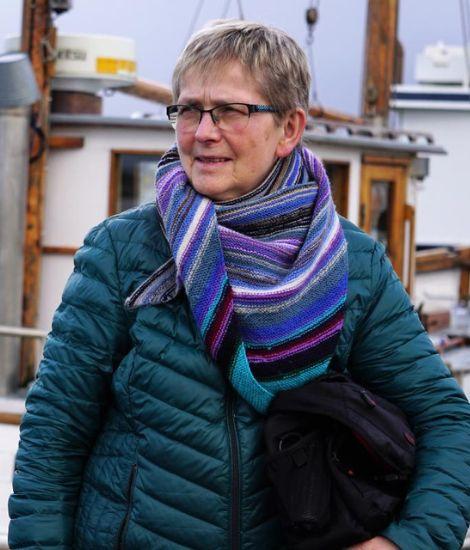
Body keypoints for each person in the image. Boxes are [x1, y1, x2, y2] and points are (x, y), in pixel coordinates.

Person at [8, 20, 470, 550]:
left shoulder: (351, 263)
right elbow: (52, 439)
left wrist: (407, 542)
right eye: (187, 109)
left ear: (290, 129)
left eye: (231, 111)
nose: (203, 131)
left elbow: (447, 420)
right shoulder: (122, 251)